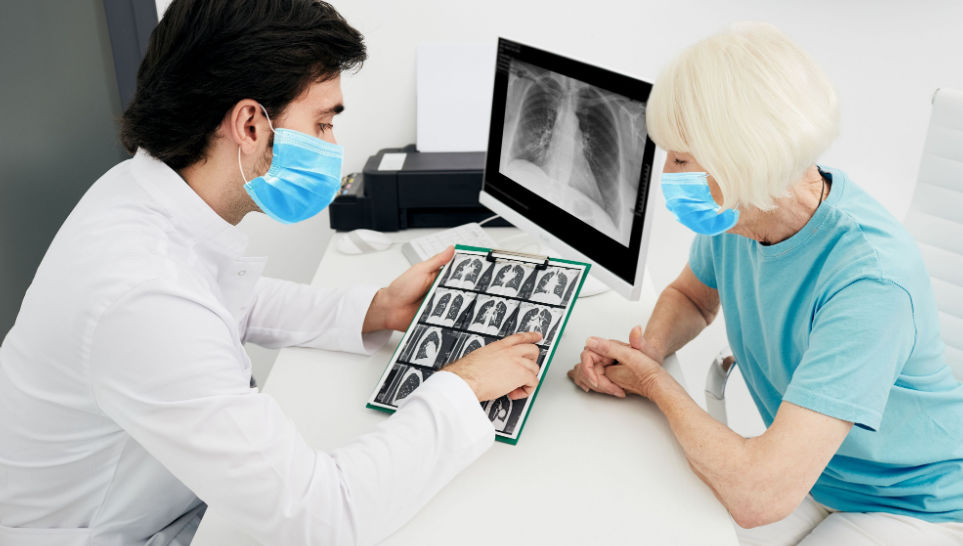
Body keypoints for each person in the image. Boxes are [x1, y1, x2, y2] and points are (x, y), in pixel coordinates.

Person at [0, 1, 542, 544]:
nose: (332, 147)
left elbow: (226, 299)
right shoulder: (144, 294)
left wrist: (374, 309)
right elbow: (321, 517)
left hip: (164, 499)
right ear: (250, 124)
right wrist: (460, 388)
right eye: (323, 124)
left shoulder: (139, 193)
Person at [568, 22, 963, 545]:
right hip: (814, 472)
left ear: (742, 157)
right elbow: (691, 296)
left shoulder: (870, 281)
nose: (666, 173)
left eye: (681, 158)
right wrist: (648, 349)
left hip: (913, 502)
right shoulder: (742, 213)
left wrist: (654, 383)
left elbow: (761, 496)